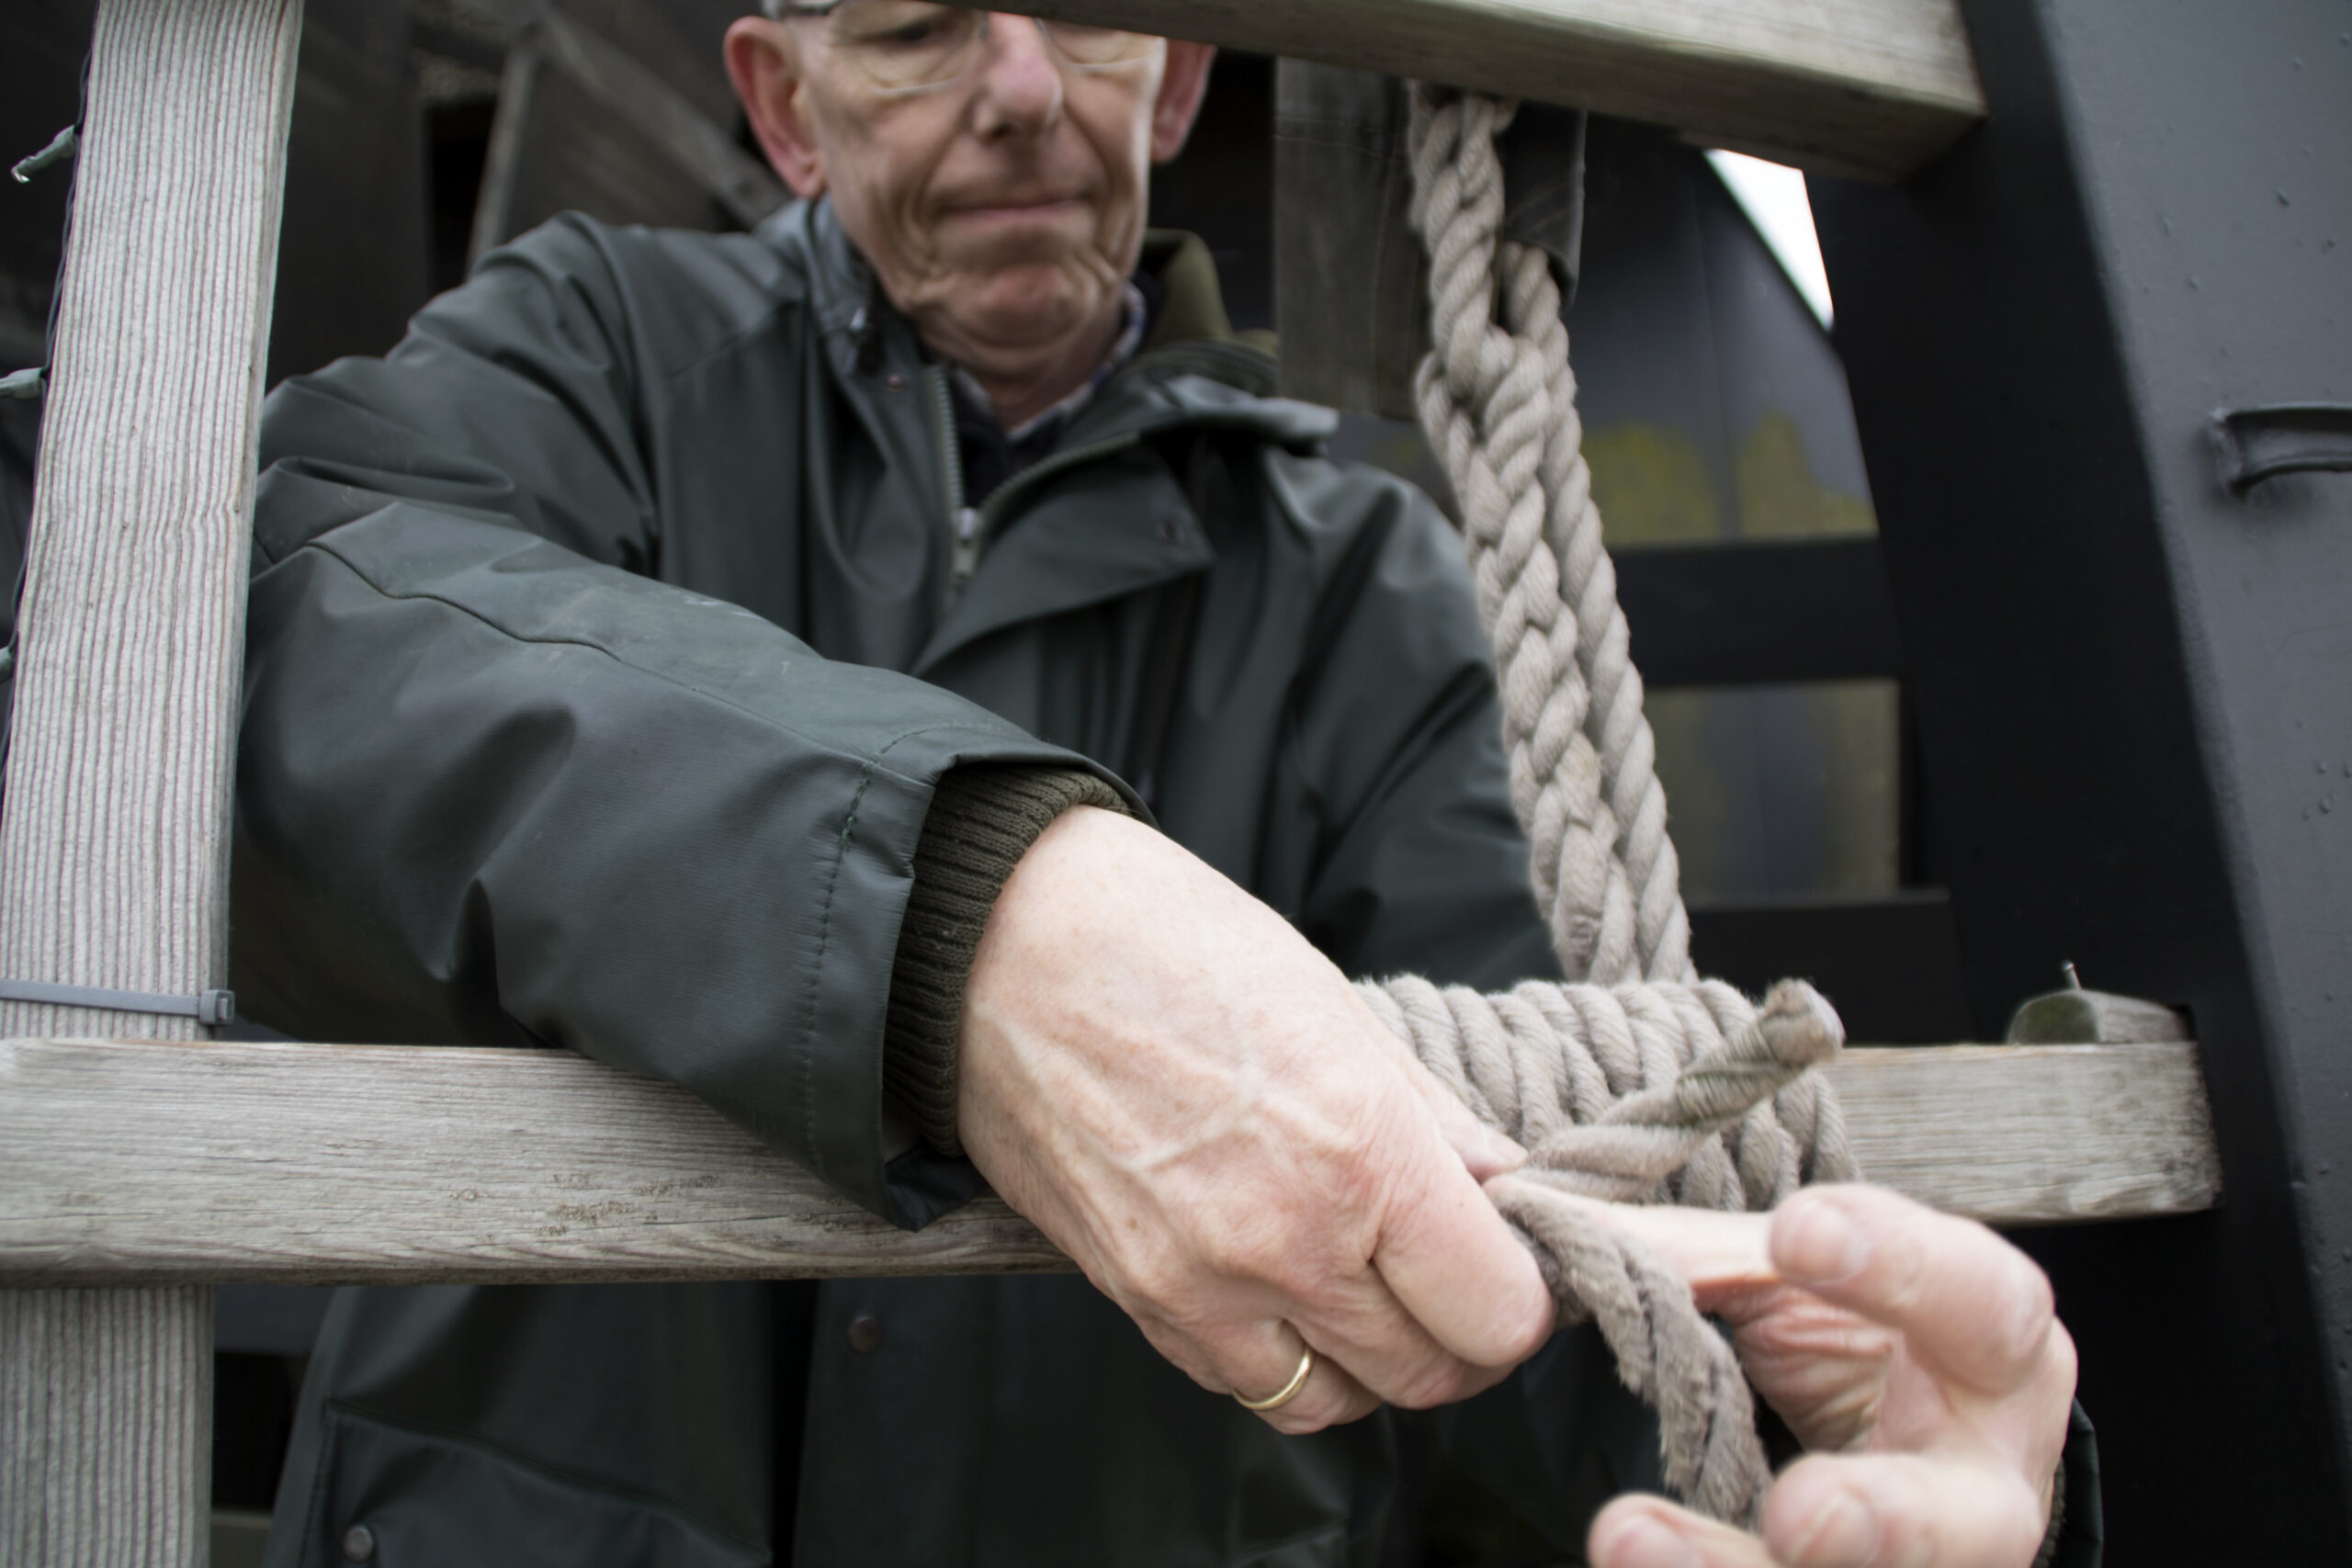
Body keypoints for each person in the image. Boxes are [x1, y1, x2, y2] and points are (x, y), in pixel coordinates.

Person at [241, 6, 2090, 1565]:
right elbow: (294, 600)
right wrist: (962, 921)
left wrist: (1787, 1428)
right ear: (786, 107)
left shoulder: (1362, 587)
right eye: (913, 24)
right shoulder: (596, 358)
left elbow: (1533, 1210)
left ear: (1181, 81)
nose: (1024, 86)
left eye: (1091, 14)